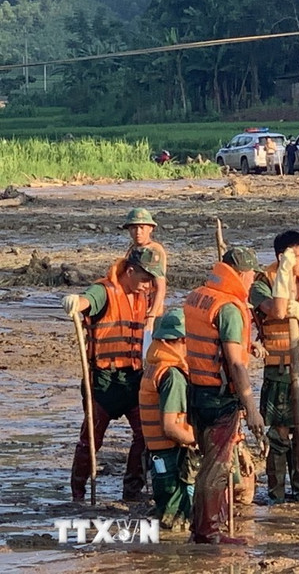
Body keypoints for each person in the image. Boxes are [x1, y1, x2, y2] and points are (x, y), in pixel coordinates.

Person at [61, 247, 165, 502]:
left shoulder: (144, 295)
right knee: (90, 440)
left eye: (151, 280)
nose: (147, 285)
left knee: (146, 435)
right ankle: (78, 494)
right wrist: (77, 302)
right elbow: (88, 300)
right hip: (104, 381)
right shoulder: (104, 290)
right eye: (144, 279)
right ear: (130, 271)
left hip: (133, 380)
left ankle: (132, 491)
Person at [185, 246, 264, 544]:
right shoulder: (229, 308)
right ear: (242, 273)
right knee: (216, 468)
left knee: (209, 462)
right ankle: (208, 533)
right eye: (252, 274)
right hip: (220, 398)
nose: (252, 280)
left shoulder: (200, 295)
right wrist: (251, 408)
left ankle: (201, 528)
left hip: (198, 391)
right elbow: (234, 362)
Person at [251, 230, 299, 504]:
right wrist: (285, 273)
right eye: (296, 257)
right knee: (279, 435)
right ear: (281, 258)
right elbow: (280, 310)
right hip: (280, 371)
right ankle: (276, 495)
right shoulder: (261, 284)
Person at [138, 308, 197, 528]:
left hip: (158, 455)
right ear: (182, 339)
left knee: (167, 513)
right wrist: (196, 440)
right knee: (175, 521)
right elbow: (170, 426)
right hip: (172, 457)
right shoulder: (172, 375)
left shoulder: (154, 365)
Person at [123, 207, 167, 333]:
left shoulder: (154, 251)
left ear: (150, 229)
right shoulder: (133, 249)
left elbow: (161, 287)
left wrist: (152, 315)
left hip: (149, 310)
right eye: (134, 228)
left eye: (142, 227)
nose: (138, 232)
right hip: (136, 308)